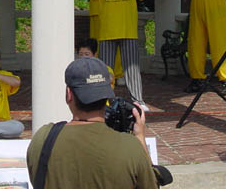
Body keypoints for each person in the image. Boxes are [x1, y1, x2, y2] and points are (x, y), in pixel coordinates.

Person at [26, 57, 158, 189]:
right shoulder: (131, 147)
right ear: (107, 95)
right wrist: (140, 137)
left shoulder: (44, 138)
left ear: (69, 94)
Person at [77, 0, 156, 111]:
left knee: (132, 69)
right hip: (107, 33)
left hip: (128, 32)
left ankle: (138, 100)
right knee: (106, 70)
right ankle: (105, 100)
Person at [78, 0, 136, 85]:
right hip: (97, 13)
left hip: (113, 14)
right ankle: (99, 73)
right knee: (98, 46)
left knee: (117, 46)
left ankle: (118, 74)